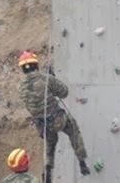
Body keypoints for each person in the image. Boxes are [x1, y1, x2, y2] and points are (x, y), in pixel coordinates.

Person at [17, 50, 91, 181]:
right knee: (73, 130)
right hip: (57, 119)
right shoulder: (45, 79)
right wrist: (53, 79)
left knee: (50, 145)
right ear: (36, 65)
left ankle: (48, 169)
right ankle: (82, 163)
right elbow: (64, 92)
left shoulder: (21, 87)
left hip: (42, 124)